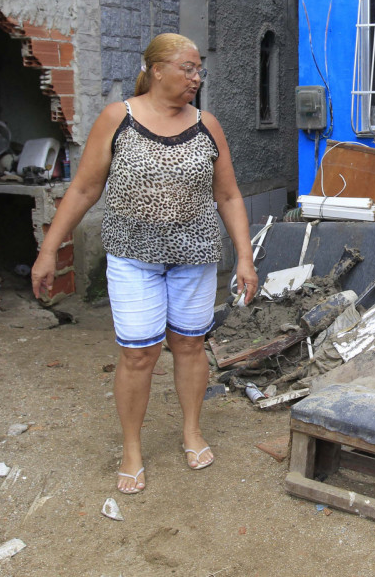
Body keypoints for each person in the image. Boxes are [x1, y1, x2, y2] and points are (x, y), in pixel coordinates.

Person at [30, 33, 258, 494]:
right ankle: (132, 448)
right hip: (133, 257)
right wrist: (49, 249)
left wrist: (245, 257)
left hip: (195, 256)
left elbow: (229, 195)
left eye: (199, 70)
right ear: (156, 70)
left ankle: (191, 430)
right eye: (187, 69)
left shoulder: (207, 125)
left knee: (190, 346)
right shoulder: (119, 118)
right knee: (138, 354)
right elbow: (84, 189)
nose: (196, 78)